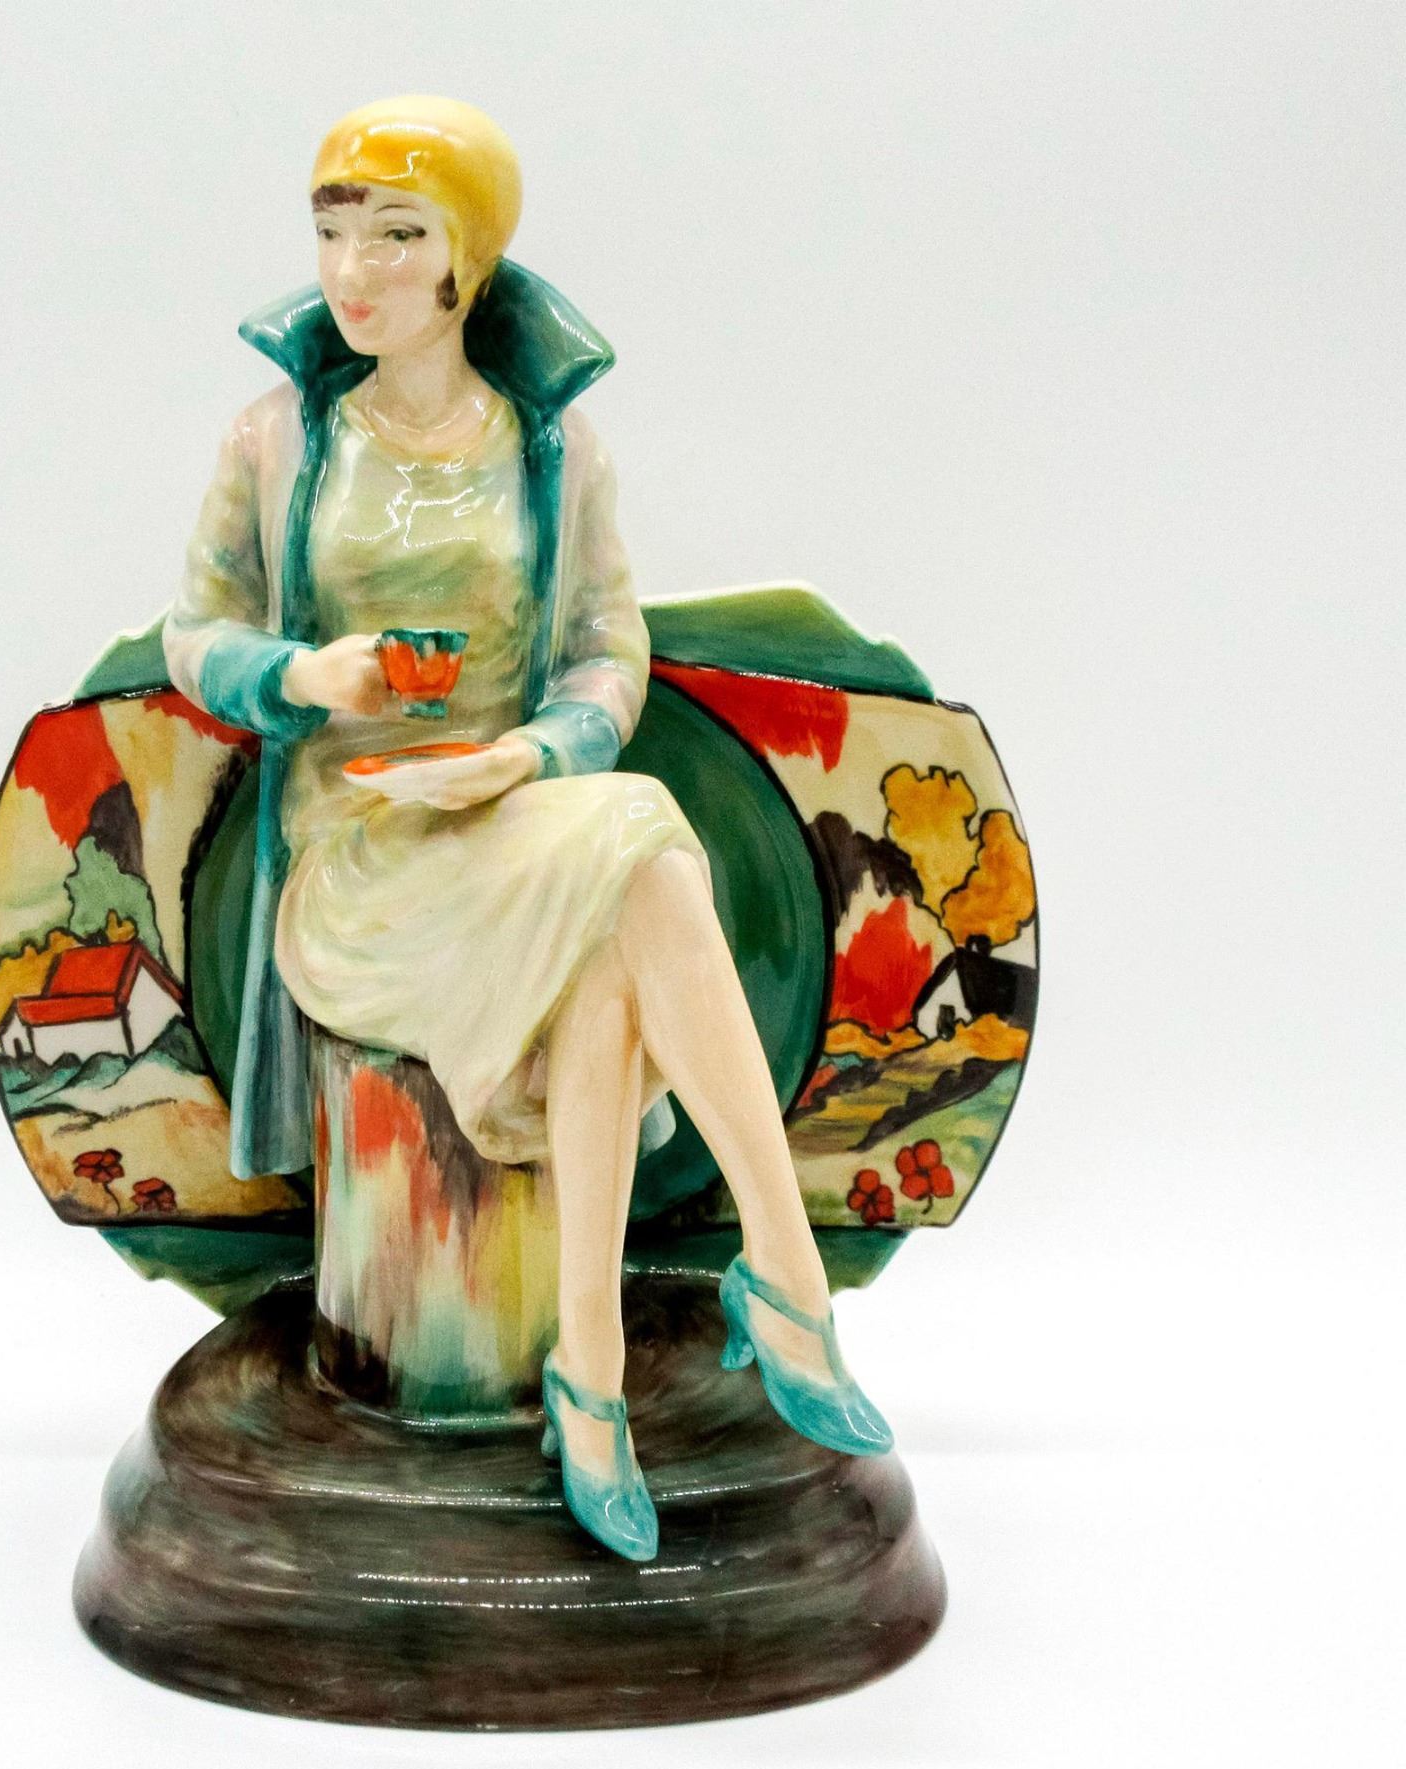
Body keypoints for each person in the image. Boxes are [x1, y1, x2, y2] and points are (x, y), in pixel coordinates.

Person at [162, 96, 890, 1561]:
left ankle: (594, 1369)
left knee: (618, 903)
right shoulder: (276, 442)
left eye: (397, 235)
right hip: (357, 864)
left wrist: (524, 755)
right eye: (333, 232)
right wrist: (305, 678)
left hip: (514, 825)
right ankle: (781, 1278)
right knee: (643, 841)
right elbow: (197, 634)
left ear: (466, 260)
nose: (354, 269)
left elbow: (608, 656)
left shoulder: (553, 454)